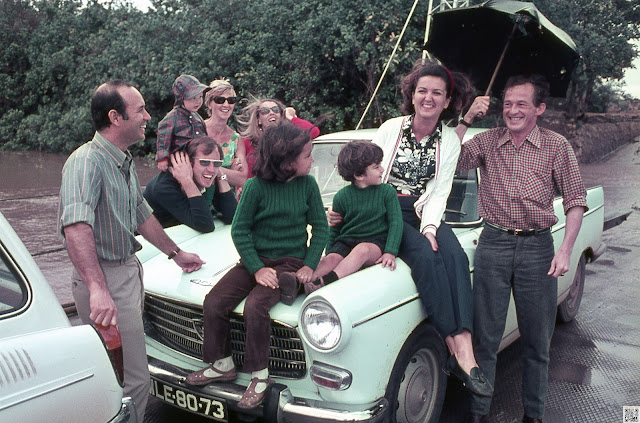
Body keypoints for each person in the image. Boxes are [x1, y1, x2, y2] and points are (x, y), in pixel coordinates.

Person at [329, 60, 493, 398]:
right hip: (384, 209)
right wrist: (342, 209)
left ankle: (464, 346)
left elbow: (440, 191)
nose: (428, 98)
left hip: (422, 210)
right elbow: (364, 170)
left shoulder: (448, 141)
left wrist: (431, 229)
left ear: (448, 101)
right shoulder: (392, 127)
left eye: (437, 93)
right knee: (423, 256)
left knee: (456, 257)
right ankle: (457, 350)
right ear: (412, 95)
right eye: (422, 91)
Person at [57, 80, 205, 423]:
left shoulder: (120, 159)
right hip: (106, 279)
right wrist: (98, 289)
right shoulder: (86, 163)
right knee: (131, 381)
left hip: (125, 271)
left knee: (124, 372)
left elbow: (140, 213)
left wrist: (175, 253)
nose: (147, 117)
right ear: (115, 116)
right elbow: (76, 228)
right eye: (139, 110)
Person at [457, 74, 588, 423]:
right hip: (493, 244)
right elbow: (447, 161)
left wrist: (565, 250)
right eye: (508, 103)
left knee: (536, 343)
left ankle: (534, 416)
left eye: (522, 104)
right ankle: (479, 414)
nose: (512, 110)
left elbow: (576, 200)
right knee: (484, 340)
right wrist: (467, 118)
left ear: (539, 109)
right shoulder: (486, 141)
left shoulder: (557, 146)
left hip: (537, 248)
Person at [185, 122, 329, 409]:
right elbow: (240, 231)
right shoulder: (254, 187)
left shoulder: (308, 185)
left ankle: (259, 375)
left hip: (289, 261)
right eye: (308, 155)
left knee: (256, 306)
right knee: (214, 301)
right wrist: (256, 268)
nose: (312, 160)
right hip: (256, 260)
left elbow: (321, 229)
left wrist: (309, 265)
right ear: (287, 162)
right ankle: (222, 363)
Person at [310, 140, 403, 293]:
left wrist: (390, 251)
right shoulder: (341, 197)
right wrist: (329, 252)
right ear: (359, 175)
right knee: (331, 259)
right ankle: (302, 284)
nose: (382, 169)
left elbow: (396, 223)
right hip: (346, 241)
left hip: (375, 243)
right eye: (376, 167)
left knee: (361, 250)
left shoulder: (387, 192)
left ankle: (328, 281)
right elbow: (335, 229)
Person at [143, 135, 237, 232]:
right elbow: (205, 225)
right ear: (188, 162)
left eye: (216, 163)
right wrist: (187, 181)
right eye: (204, 162)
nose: (211, 170)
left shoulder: (208, 177)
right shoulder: (163, 187)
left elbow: (233, 217)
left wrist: (221, 176)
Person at [237, 98, 320, 178]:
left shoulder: (289, 139)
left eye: (276, 110)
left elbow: (314, 132)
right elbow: (241, 172)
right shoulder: (247, 143)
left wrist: (291, 118)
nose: (271, 113)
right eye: (265, 111)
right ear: (259, 120)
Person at [155, 74, 209, 171]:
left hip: (197, 160)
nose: (198, 101)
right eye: (193, 98)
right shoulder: (173, 117)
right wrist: (162, 158)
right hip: (178, 161)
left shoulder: (198, 118)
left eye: (200, 97)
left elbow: (205, 137)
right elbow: (164, 136)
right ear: (181, 99)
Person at [203, 79, 246, 188]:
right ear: (209, 104)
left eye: (231, 100)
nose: (226, 104)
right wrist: (228, 172)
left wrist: (208, 168)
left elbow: (242, 179)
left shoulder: (236, 139)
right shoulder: (198, 130)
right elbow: (192, 167)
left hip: (226, 200)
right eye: (220, 100)